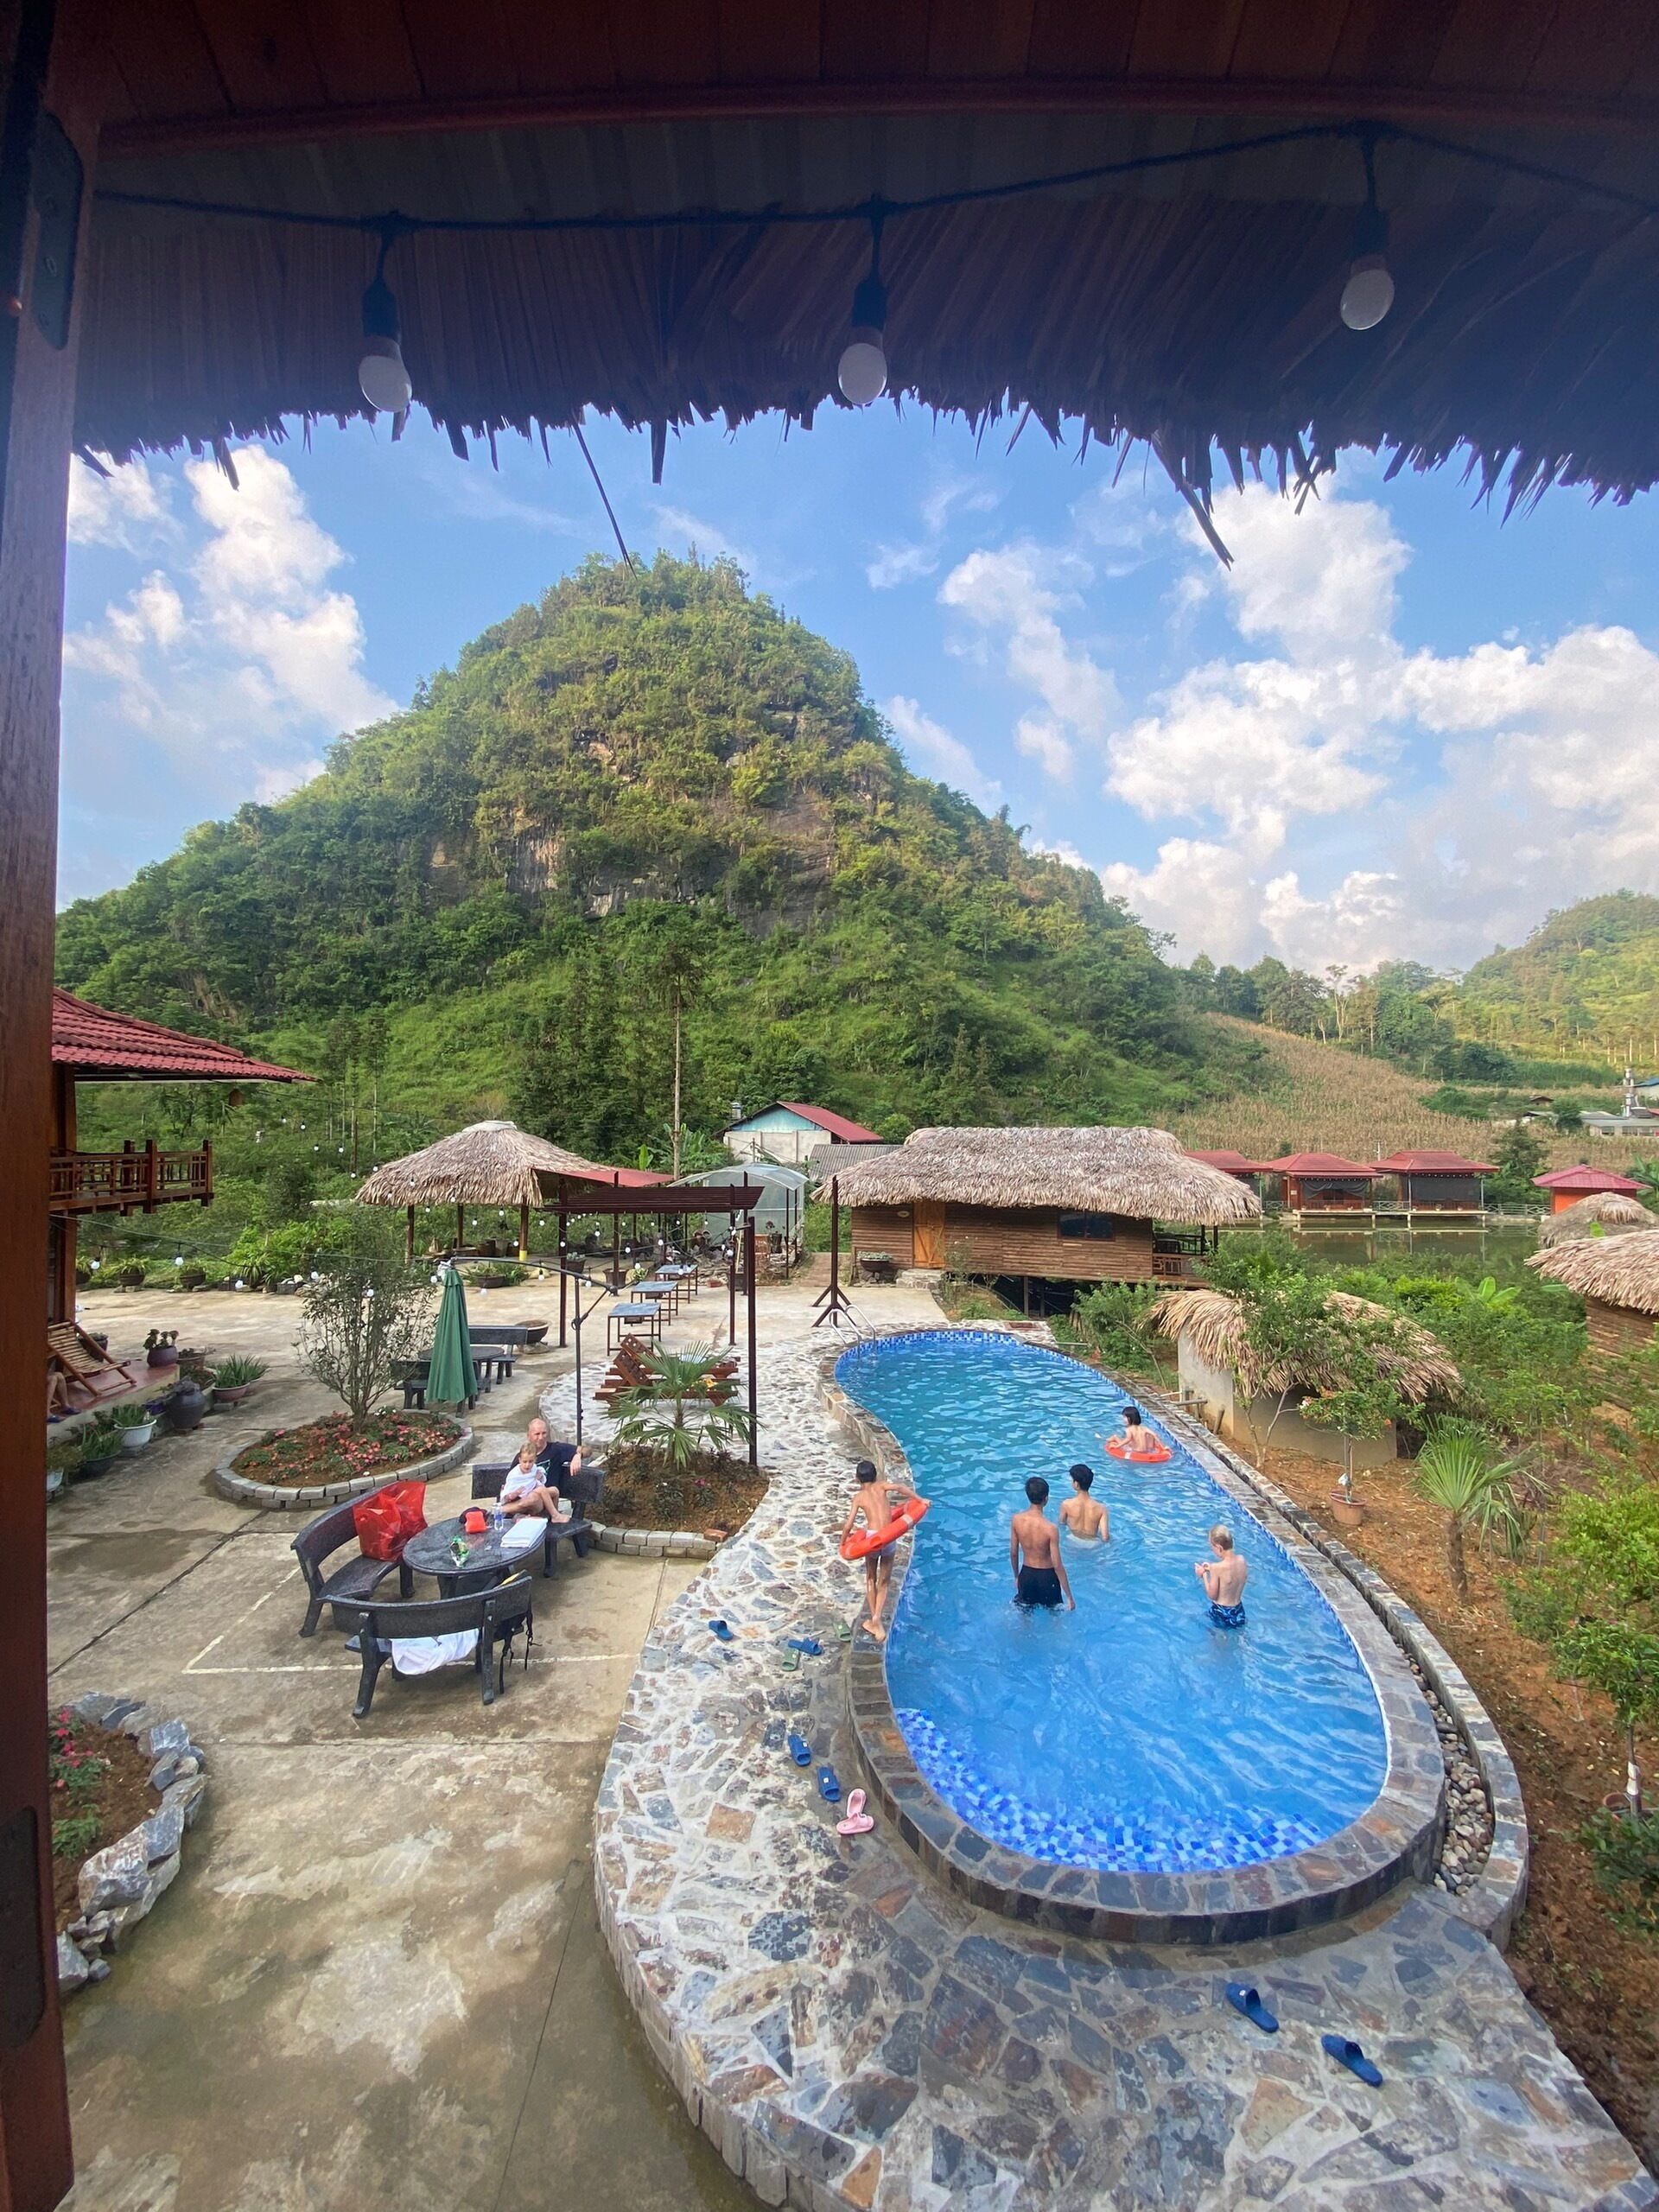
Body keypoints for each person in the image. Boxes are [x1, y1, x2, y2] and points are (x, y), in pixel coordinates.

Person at [840, 1458, 914, 1640]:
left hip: (872, 1537)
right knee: (884, 1581)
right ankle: (876, 1618)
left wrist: (843, 1544)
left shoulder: (859, 1497)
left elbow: (849, 1525)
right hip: (888, 1536)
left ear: (857, 1479)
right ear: (876, 1476)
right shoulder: (881, 1486)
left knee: (871, 1578)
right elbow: (899, 1488)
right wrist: (919, 1499)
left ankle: (875, 1623)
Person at [1010, 1475, 1075, 1611]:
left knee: (1024, 1616)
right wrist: (1069, 1596)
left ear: (1028, 1496)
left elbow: (1014, 1553)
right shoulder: (1050, 1529)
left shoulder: (1016, 1520)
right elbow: (1057, 1565)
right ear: (1046, 1499)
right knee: (1055, 1618)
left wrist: (1017, 1576)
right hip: (1047, 1578)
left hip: (1026, 1575)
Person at [499, 1440, 568, 1522]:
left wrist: (540, 1476)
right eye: (525, 1462)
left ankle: (552, 1515)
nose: (527, 1465)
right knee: (539, 1492)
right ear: (520, 1460)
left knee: (555, 1490)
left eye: (530, 1461)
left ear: (535, 1460)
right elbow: (508, 1492)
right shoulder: (514, 1474)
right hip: (518, 1499)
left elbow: (537, 1479)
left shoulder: (534, 1468)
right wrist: (513, 1494)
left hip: (532, 1492)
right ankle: (503, 1509)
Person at [1195, 1524, 1248, 1627]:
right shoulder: (1242, 1560)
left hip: (1221, 1612)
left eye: (1212, 1547)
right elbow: (1231, 1576)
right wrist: (1211, 1569)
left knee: (1217, 1641)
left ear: (1219, 1548)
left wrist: (1204, 1575)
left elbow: (1212, 1595)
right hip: (1239, 1610)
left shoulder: (1217, 1568)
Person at [1058, 1464, 1109, 1544]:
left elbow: (1061, 1524)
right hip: (1092, 1544)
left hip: (1072, 1541)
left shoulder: (1066, 1504)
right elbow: (1105, 1537)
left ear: (1076, 1484)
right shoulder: (1101, 1508)